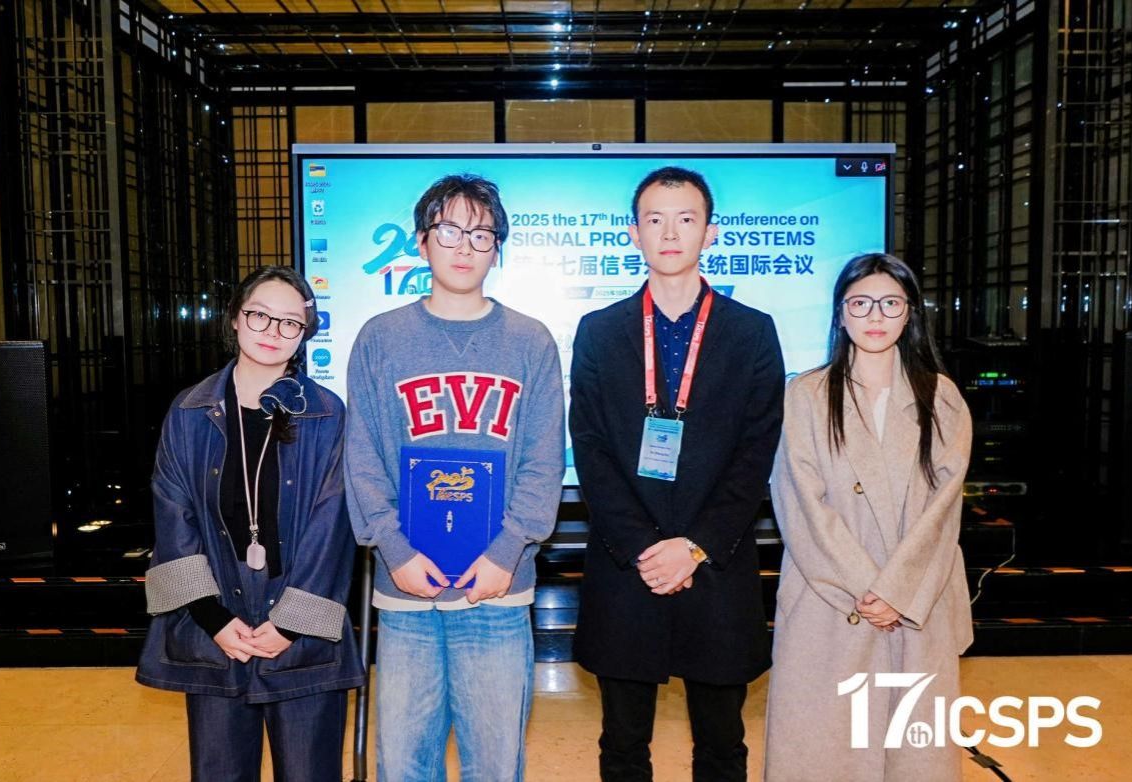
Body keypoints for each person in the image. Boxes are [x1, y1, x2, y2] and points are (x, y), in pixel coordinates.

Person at [345, 173, 565, 781]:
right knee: (404, 764)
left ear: (498, 249)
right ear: (421, 242)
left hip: (498, 587)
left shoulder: (530, 341)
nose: (465, 246)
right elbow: (362, 458)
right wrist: (394, 550)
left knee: (493, 763)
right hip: (406, 588)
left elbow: (543, 461)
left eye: (482, 234)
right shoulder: (380, 338)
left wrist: (505, 552)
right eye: (449, 230)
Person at [570, 166, 785, 781]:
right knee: (622, 745)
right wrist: (645, 548)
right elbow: (590, 448)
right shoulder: (600, 331)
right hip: (627, 566)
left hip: (715, 564)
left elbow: (756, 453)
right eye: (655, 220)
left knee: (722, 744)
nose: (670, 233)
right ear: (633, 233)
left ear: (710, 232)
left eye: (686, 219)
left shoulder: (752, 332)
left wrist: (693, 547)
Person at [135, 266, 365, 782]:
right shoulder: (190, 411)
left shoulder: (327, 415)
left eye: (290, 322)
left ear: (305, 334)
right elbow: (172, 517)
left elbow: (333, 528)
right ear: (236, 319)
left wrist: (290, 623)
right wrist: (212, 618)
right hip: (217, 629)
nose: (272, 331)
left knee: (309, 772)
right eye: (260, 315)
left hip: (302, 635)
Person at [764, 253, 973, 781]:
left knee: (913, 756)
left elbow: (944, 508)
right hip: (831, 601)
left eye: (890, 303)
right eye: (859, 303)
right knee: (824, 754)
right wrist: (866, 588)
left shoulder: (942, 398)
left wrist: (896, 591)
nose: (874, 316)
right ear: (840, 314)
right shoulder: (806, 395)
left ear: (910, 314)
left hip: (918, 601)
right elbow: (800, 502)